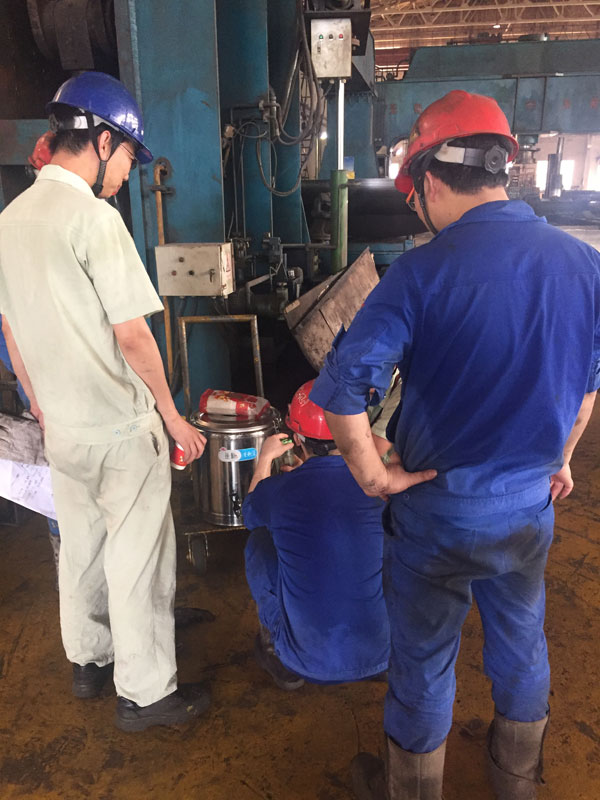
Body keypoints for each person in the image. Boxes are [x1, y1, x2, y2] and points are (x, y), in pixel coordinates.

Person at [310, 89, 600, 800]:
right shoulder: (585, 264)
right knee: (521, 640)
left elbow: (340, 394)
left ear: (430, 181)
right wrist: (560, 459)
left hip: (437, 516)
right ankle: (517, 783)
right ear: (504, 166)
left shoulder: (418, 274)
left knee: (424, 660)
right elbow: (586, 386)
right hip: (527, 509)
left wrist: (375, 477)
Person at [0, 71, 208, 732]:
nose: (126, 172)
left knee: (82, 546)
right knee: (138, 555)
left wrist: (39, 404)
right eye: (128, 157)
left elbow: (10, 329)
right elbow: (132, 334)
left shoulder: (9, 220)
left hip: (63, 426)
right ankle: (145, 694)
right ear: (103, 140)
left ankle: (89, 660)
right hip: (120, 428)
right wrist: (171, 416)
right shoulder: (94, 218)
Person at [242, 380, 390, 690]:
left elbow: (251, 516)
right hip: (383, 653)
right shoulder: (382, 484)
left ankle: (277, 655)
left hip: (305, 660)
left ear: (296, 438)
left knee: (258, 543)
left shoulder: (280, 492)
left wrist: (264, 460)